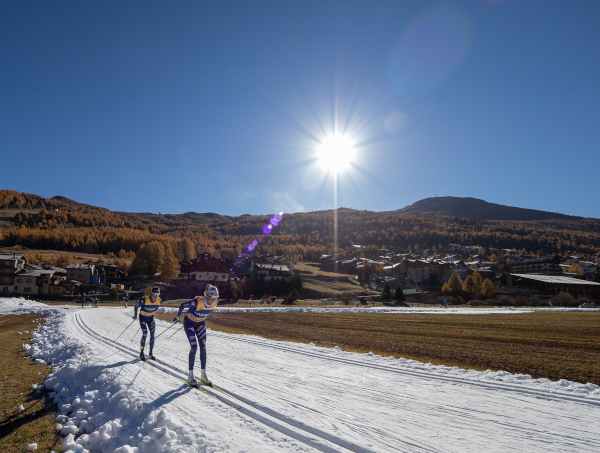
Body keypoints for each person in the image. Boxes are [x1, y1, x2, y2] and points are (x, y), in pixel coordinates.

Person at [172, 285, 219, 386]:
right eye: (212, 296)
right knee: (194, 347)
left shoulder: (215, 304)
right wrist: (178, 316)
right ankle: (190, 376)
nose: (214, 299)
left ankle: (203, 375)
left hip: (200, 324)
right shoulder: (198, 302)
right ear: (207, 295)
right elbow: (183, 305)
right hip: (189, 324)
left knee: (203, 347)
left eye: (216, 297)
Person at [133, 287, 162, 361]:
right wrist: (135, 315)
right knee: (145, 333)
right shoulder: (144, 300)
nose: (156, 296)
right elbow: (136, 307)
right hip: (143, 318)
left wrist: (151, 313)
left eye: (158, 294)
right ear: (151, 294)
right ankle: (141, 353)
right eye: (155, 294)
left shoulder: (159, 300)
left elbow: (156, 308)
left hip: (150, 318)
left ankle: (150, 353)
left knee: (153, 334)